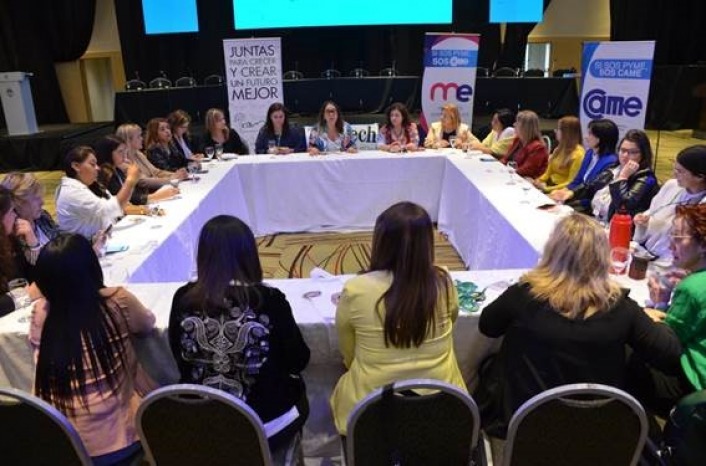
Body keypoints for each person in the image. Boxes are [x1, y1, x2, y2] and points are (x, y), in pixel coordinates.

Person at [474, 213, 682, 439]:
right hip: (595, 427)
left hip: (521, 421)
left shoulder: (524, 295)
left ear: (552, 252)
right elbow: (669, 354)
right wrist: (653, 313)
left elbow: (488, 326)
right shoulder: (623, 308)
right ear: (603, 256)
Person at [168, 215, 310, 451]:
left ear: (204, 255)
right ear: (249, 254)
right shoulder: (270, 300)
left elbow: (180, 358)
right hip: (266, 425)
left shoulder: (183, 298)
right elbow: (298, 360)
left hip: (202, 419)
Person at [330, 201, 466, 436]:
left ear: (380, 242)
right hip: (444, 403)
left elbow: (348, 352)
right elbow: (452, 323)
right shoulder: (443, 282)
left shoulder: (355, 289)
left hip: (372, 409)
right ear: (427, 243)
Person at [31, 233, 156, 465]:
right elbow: (147, 324)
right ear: (92, 268)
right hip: (119, 441)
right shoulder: (116, 301)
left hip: (63, 441)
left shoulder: (41, 312)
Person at [634, 204, 706, 416]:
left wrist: (660, 304)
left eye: (678, 238)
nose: (670, 245)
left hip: (692, 390)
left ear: (703, 245)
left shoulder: (692, 288)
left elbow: (667, 345)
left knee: (627, 350)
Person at [633, 145, 706, 261]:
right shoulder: (671, 185)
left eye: (680, 171)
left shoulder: (702, 205)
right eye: (674, 169)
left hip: (674, 263)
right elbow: (653, 212)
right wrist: (643, 221)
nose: (674, 174)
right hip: (647, 252)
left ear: (700, 177)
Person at [55, 145, 140, 239]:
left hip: (102, 237)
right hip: (86, 246)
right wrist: (130, 180)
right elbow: (111, 209)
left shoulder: (90, 184)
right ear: (76, 166)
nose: (97, 168)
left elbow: (117, 207)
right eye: (92, 164)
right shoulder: (72, 191)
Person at [549, 118, 620, 212]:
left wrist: (569, 195)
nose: (586, 137)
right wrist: (564, 191)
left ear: (599, 139)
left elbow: (593, 190)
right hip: (576, 197)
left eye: (590, 134)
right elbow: (577, 180)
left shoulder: (611, 162)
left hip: (590, 205)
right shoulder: (589, 153)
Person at [591, 129, 659, 223]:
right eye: (623, 150)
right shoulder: (614, 168)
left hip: (621, 228)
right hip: (596, 218)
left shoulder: (646, 178)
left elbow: (623, 207)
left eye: (633, 152)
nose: (625, 155)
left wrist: (623, 177)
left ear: (643, 154)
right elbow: (591, 186)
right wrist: (571, 192)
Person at [94, 135, 179, 206]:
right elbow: (124, 199)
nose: (124, 155)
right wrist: (157, 196)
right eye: (120, 152)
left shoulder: (117, 169)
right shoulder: (105, 174)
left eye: (125, 151)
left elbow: (134, 193)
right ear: (108, 153)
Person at [1, 173, 59, 265]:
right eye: (36, 198)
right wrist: (33, 243)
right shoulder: (12, 235)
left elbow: (60, 242)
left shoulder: (43, 216)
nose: (42, 202)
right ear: (18, 203)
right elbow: (37, 270)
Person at [116, 123, 187, 190]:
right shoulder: (123, 161)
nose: (142, 138)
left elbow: (156, 172)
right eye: (138, 136)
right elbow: (143, 182)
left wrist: (176, 174)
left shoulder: (138, 154)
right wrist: (172, 179)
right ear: (128, 140)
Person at [0, 186, 33, 316]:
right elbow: (32, 289)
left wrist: (32, 243)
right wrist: (27, 294)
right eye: (11, 211)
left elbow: (30, 277)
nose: (15, 216)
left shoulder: (11, 240)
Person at [533, 116, 584, 193]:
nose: (555, 131)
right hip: (549, 184)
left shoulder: (578, 154)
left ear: (567, 133)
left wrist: (547, 189)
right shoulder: (559, 148)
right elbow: (548, 172)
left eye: (559, 129)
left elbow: (571, 183)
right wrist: (539, 180)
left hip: (561, 190)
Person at [501, 110, 549, 178]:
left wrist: (507, 171)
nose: (514, 124)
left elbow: (527, 170)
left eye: (517, 122)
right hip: (514, 175)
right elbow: (506, 158)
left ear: (526, 127)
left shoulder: (538, 147)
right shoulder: (517, 140)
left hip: (528, 180)